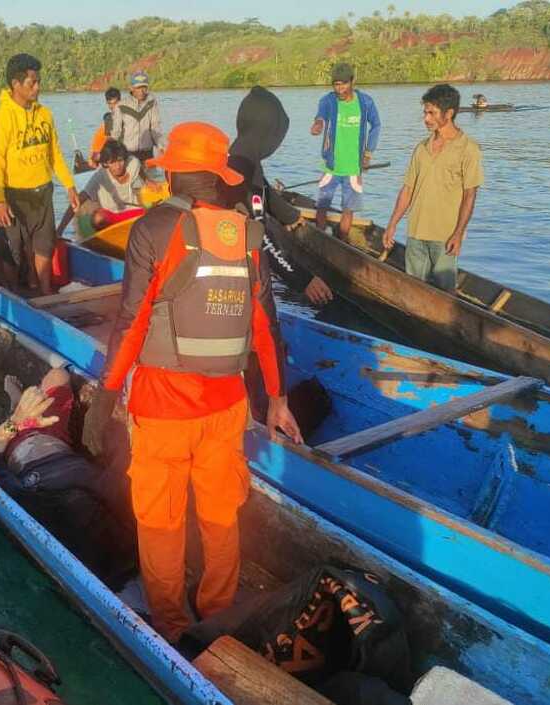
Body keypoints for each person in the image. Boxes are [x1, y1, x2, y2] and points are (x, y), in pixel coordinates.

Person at [82, 122, 303, 644]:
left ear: (177, 172)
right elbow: (266, 326)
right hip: (227, 408)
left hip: (162, 407)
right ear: (218, 176)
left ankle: (174, 629)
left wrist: (103, 400)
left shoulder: (153, 229)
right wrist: (277, 399)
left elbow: (132, 323)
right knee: (222, 516)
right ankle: (219, 617)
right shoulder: (247, 234)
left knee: (160, 522)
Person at [0, 367, 136, 589]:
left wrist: (16, 424)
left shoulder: (32, 503)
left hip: (11, 446)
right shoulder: (112, 495)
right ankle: (17, 404)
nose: (92, 514)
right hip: (53, 436)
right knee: (60, 375)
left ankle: (12, 408)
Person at [226, 86, 334, 308]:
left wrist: (290, 215)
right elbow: (261, 238)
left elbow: (265, 191)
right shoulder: (243, 168)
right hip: (236, 277)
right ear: (266, 133)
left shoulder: (240, 155)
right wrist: (303, 279)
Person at [0, 53, 80, 296]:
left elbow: (55, 154)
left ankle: (46, 292)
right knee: (14, 250)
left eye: (39, 81)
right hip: (14, 195)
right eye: (32, 83)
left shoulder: (45, 115)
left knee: (44, 246)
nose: (38, 87)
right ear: (16, 84)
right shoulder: (2, 117)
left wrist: (70, 186)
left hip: (42, 192)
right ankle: (13, 295)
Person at [382, 84, 484, 291]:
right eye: (425, 112)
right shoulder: (421, 148)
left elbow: (470, 195)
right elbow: (407, 189)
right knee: (413, 290)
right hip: (416, 233)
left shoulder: (468, 149)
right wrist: (392, 224)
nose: (426, 119)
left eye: (432, 113)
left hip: (445, 237)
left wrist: (458, 233)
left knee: (445, 294)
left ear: (449, 113)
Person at [310, 62, 381, 238]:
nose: (339, 89)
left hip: (353, 168)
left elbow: (376, 125)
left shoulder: (365, 102)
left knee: (348, 210)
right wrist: (318, 123)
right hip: (331, 165)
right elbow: (321, 115)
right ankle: (320, 237)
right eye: (336, 84)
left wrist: (368, 153)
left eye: (343, 84)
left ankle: (341, 242)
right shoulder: (328, 100)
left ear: (352, 81)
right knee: (322, 206)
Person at [56, 140, 146, 236]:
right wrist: (60, 230)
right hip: (111, 217)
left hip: (133, 213)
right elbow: (77, 201)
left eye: (120, 161)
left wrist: (148, 180)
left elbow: (139, 169)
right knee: (98, 218)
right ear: (106, 163)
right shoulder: (100, 176)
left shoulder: (133, 163)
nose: (118, 166)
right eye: (113, 162)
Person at [110, 71, 165, 163]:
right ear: (131, 88)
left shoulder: (151, 102)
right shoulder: (121, 106)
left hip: (147, 153)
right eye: (138, 87)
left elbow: (155, 128)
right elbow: (116, 132)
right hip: (128, 153)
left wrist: (162, 146)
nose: (142, 91)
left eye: (144, 87)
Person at [90, 87, 121, 166]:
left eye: (116, 103)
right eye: (110, 104)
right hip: (102, 159)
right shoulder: (108, 121)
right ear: (107, 104)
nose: (114, 107)